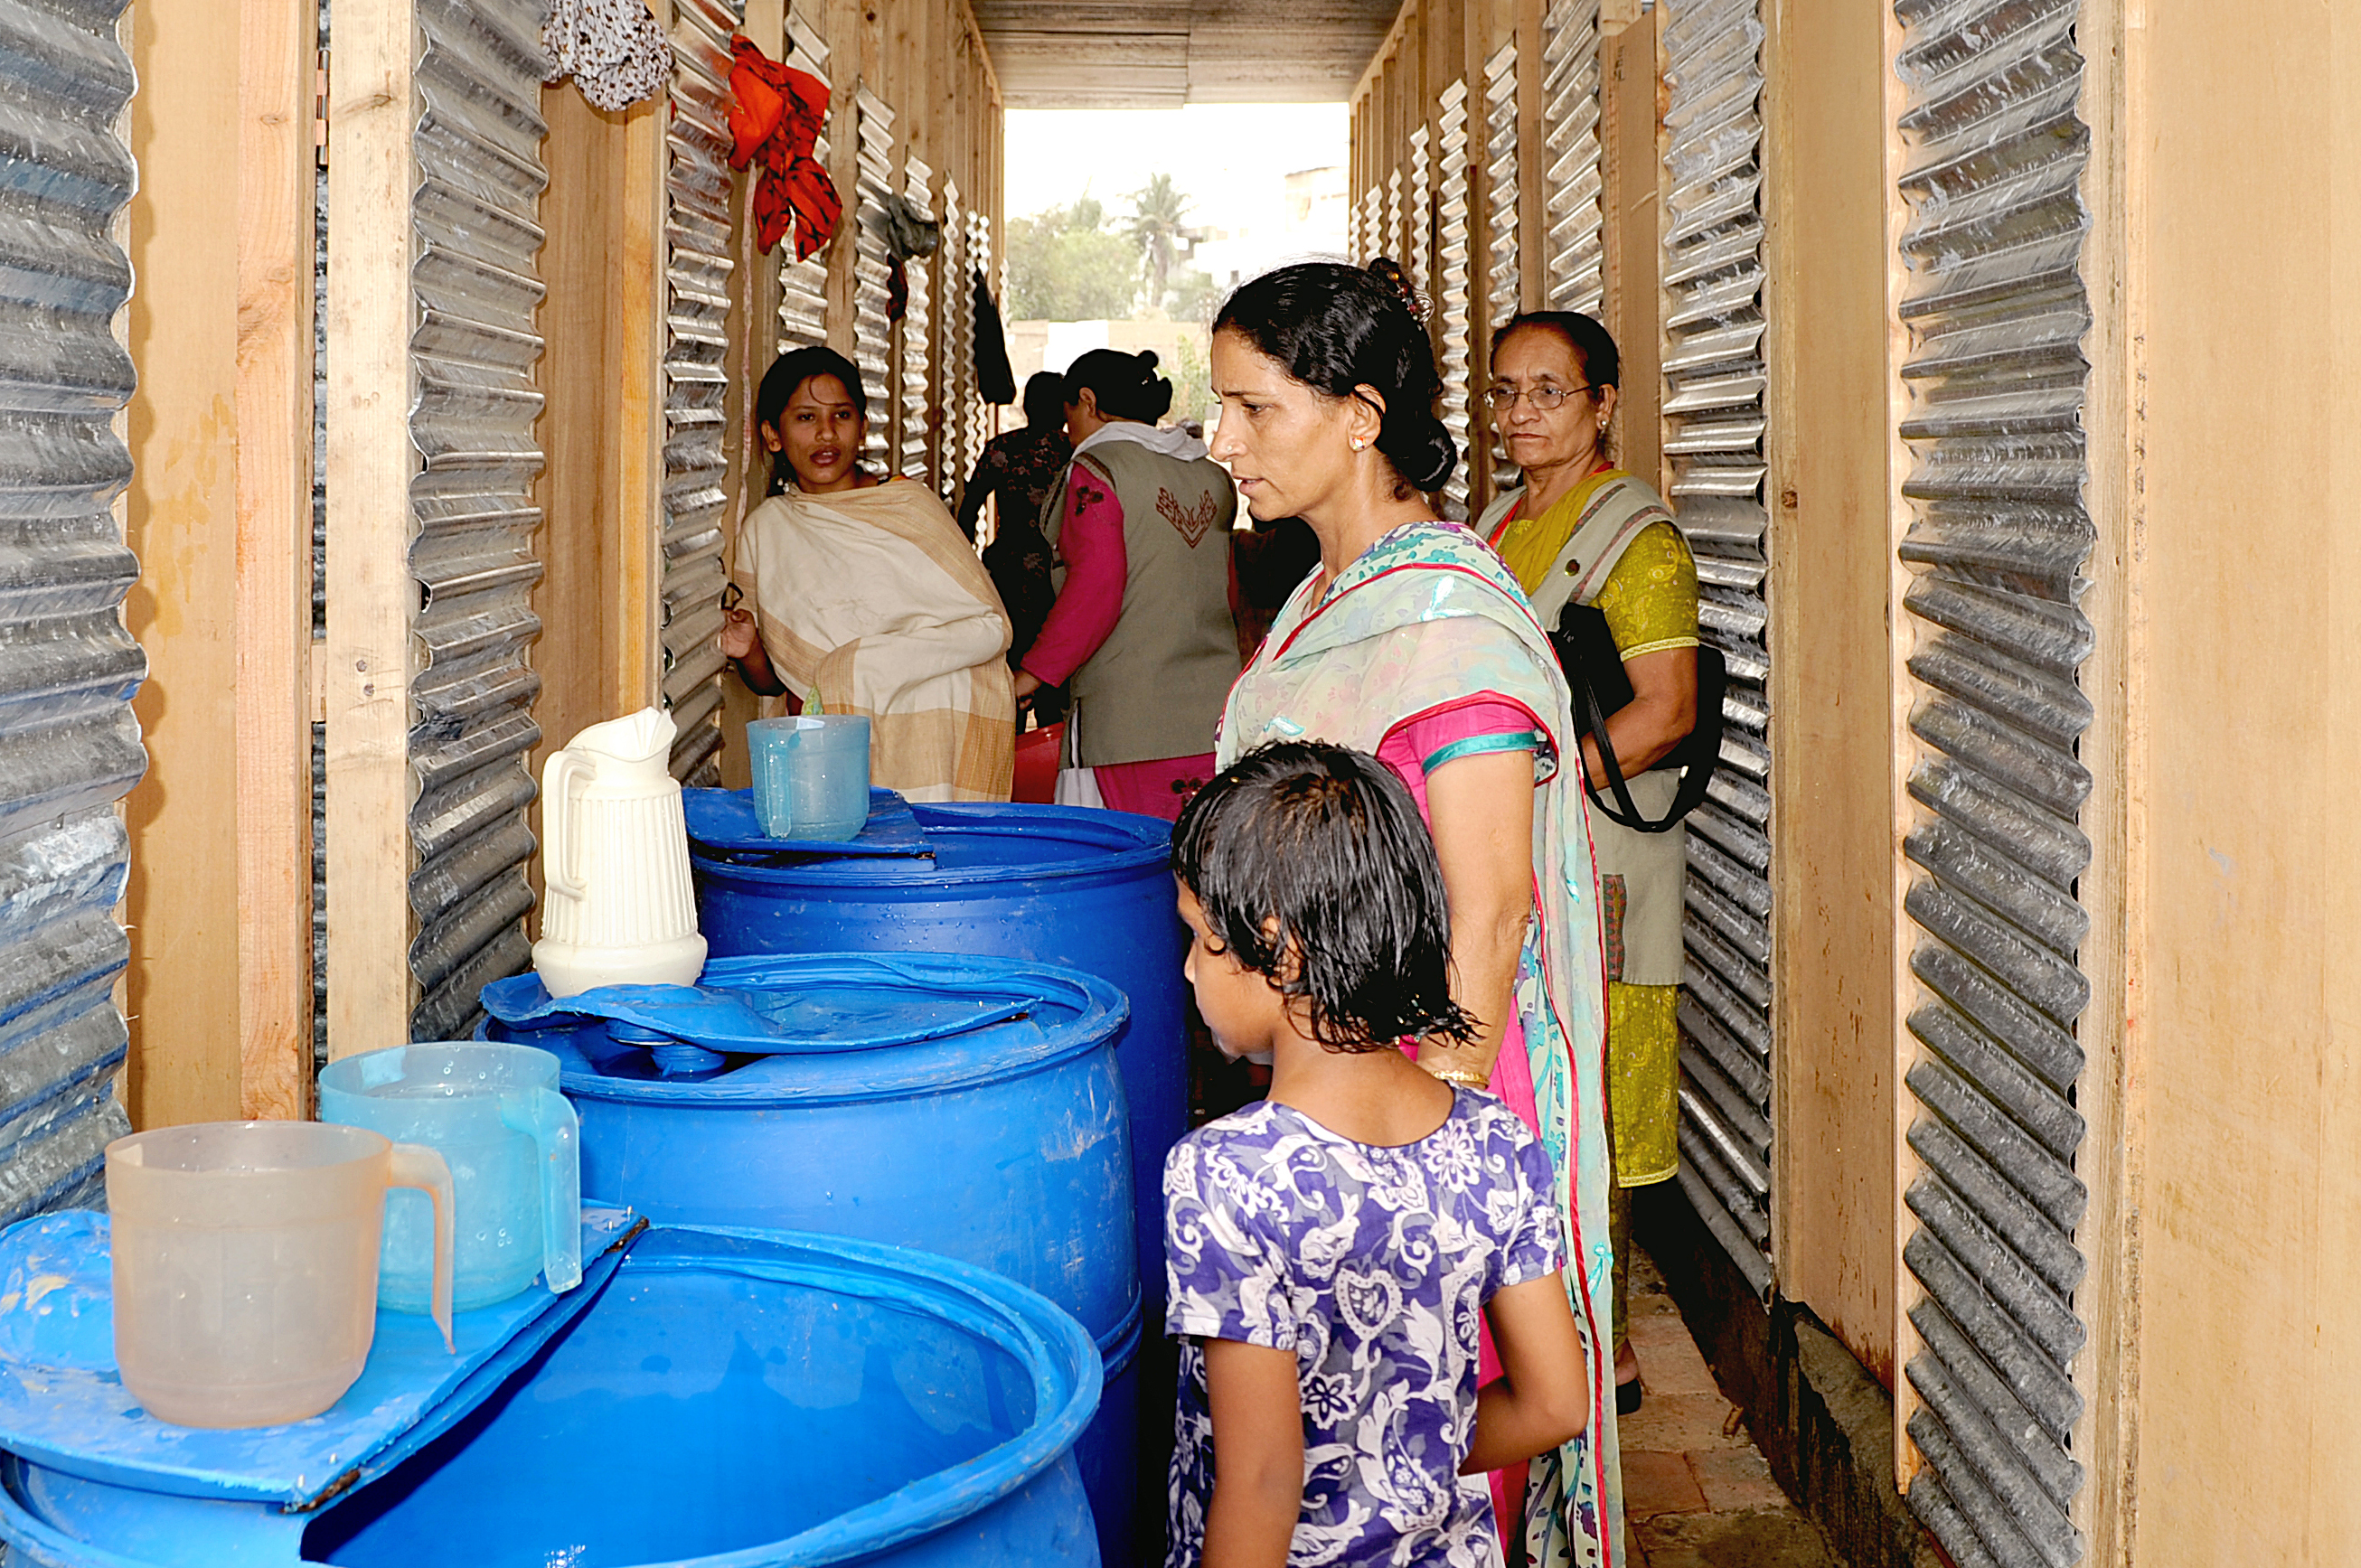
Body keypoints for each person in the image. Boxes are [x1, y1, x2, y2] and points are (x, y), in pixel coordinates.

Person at [1208, 259, 1621, 1568]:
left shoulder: (1452, 622)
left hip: (1430, 1094)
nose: (1222, 443)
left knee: (1423, 1435)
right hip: (1332, 1084)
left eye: (1252, 408)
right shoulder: (1322, 597)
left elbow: (1489, 917)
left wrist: (1402, 1178)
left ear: (1359, 415)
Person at [1164, 740, 1590, 1568]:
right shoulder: (1496, 1143)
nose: (1186, 969)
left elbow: (1259, 1484)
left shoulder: (1225, 1176)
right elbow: (1557, 1403)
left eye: (1200, 939)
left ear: (1278, 949)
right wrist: (1399, 1462)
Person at [1472, 313, 1697, 1414]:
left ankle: (1599, 1353)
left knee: (1592, 1096)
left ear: (1603, 401)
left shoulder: (1633, 540)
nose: (1521, 414)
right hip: (1515, 851)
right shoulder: (1499, 522)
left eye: (1547, 392)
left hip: (1594, 857)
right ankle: (1537, 1337)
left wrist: (1529, 781)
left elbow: (1663, 713)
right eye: (1505, 392)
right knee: (1525, 1084)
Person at [719, 346, 1015, 802]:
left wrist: (866, 667)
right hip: (827, 755)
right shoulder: (767, 529)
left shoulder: (909, 507)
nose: (825, 433)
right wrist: (749, 648)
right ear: (773, 435)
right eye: (804, 418)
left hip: (935, 742)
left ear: (862, 430)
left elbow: (989, 626)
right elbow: (774, 679)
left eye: (841, 415)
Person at [1012, 348, 1240, 822]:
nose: (1067, 426)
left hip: (1127, 723)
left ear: (1088, 401)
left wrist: (1032, 675)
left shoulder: (1098, 470)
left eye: (1068, 412)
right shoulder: (1211, 476)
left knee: (1128, 867)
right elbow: (1228, 592)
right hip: (1214, 717)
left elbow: (1094, 592)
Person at [962, 372, 1074, 722]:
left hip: (1007, 578)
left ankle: (1007, 766)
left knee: (1005, 680)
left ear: (1026, 406)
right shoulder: (1077, 452)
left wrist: (963, 570)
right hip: (1061, 581)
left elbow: (968, 511)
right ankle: (1049, 762)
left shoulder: (1003, 448)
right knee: (1055, 678)